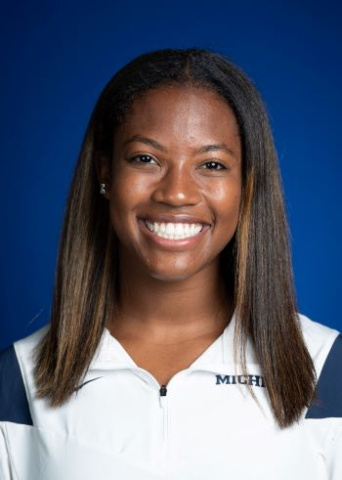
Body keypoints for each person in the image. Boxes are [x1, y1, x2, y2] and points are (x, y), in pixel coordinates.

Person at [0, 48, 341, 479]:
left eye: (212, 165)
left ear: (246, 185)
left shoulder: (327, 369)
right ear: (105, 172)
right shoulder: (17, 381)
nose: (176, 192)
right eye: (146, 158)